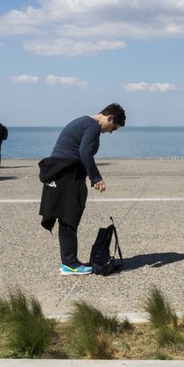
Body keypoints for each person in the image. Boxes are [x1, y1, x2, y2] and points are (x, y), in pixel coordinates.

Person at [39, 103, 126, 276]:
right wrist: (96, 177)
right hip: (67, 175)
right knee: (69, 217)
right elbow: (85, 153)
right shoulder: (92, 126)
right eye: (113, 128)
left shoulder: (85, 122)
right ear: (109, 118)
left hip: (64, 173)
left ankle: (68, 262)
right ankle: (70, 264)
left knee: (66, 218)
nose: (110, 132)